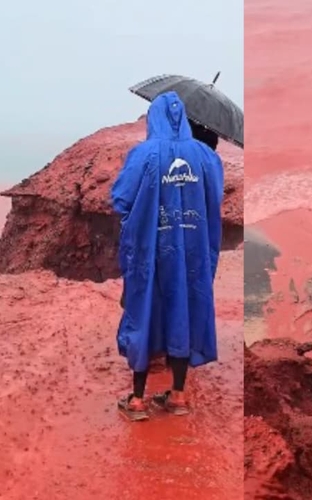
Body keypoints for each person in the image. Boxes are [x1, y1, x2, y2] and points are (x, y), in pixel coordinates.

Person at [111, 91, 224, 421]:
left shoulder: (144, 155)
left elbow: (121, 199)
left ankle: (136, 400)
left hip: (151, 250)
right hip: (192, 252)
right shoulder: (205, 156)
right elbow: (214, 195)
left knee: (144, 310)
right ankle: (177, 395)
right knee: (184, 310)